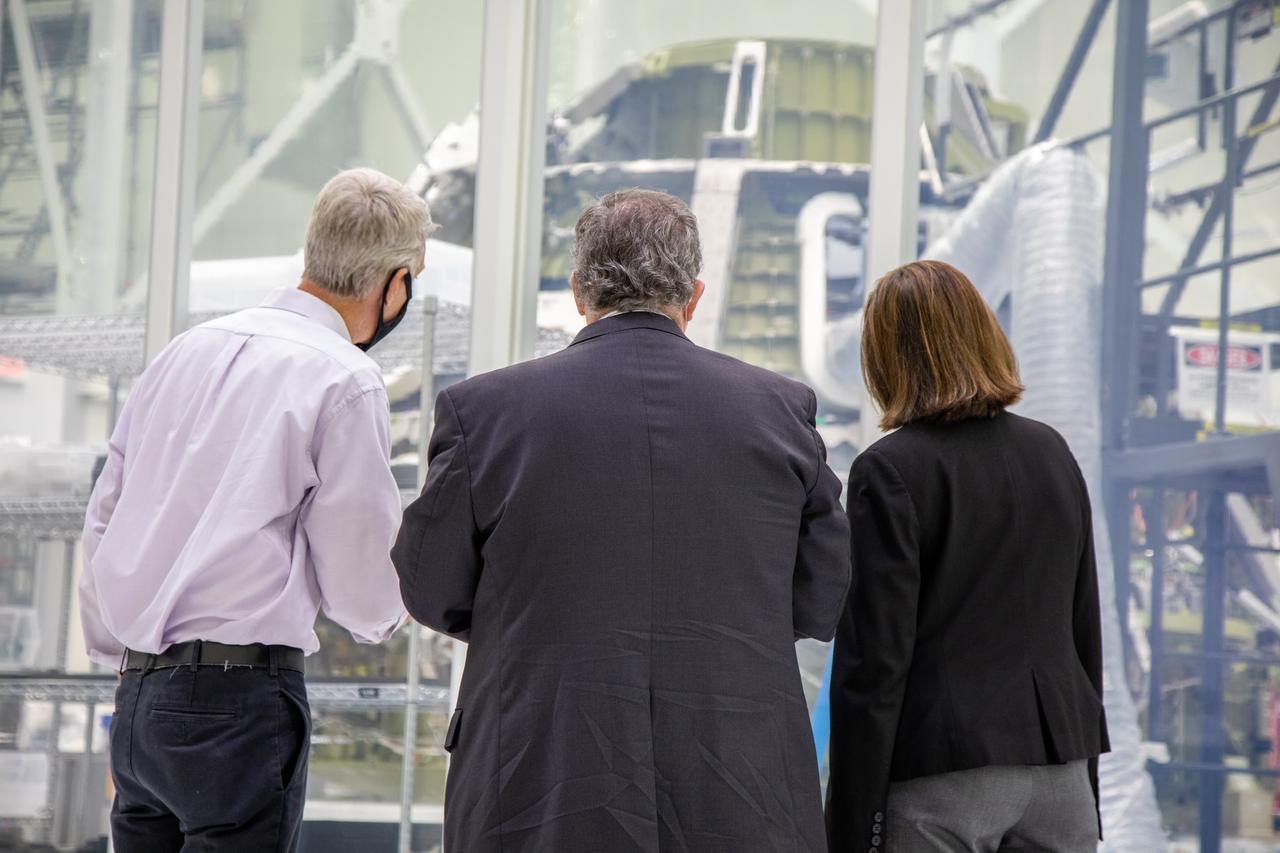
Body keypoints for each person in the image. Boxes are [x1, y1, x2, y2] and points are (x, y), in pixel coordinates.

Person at [393, 188, 851, 852]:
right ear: (693, 298)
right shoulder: (779, 411)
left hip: (538, 785)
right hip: (741, 790)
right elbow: (821, 598)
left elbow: (429, 586)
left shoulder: (484, 413)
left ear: (580, 292)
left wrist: (521, 615)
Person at [80, 167, 432, 851]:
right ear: (394, 284)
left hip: (140, 700)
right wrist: (393, 609)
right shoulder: (345, 379)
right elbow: (359, 569)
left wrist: (116, 651)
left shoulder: (183, 353)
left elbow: (105, 513)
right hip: (239, 706)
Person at [825, 259, 1110, 853]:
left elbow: (875, 664)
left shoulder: (890, 469)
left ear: (886, 359)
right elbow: (1084, 627)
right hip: (1059, 770)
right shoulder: (1051, 452)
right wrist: (1084, 774)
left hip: (944, 780)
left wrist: (851, 826)